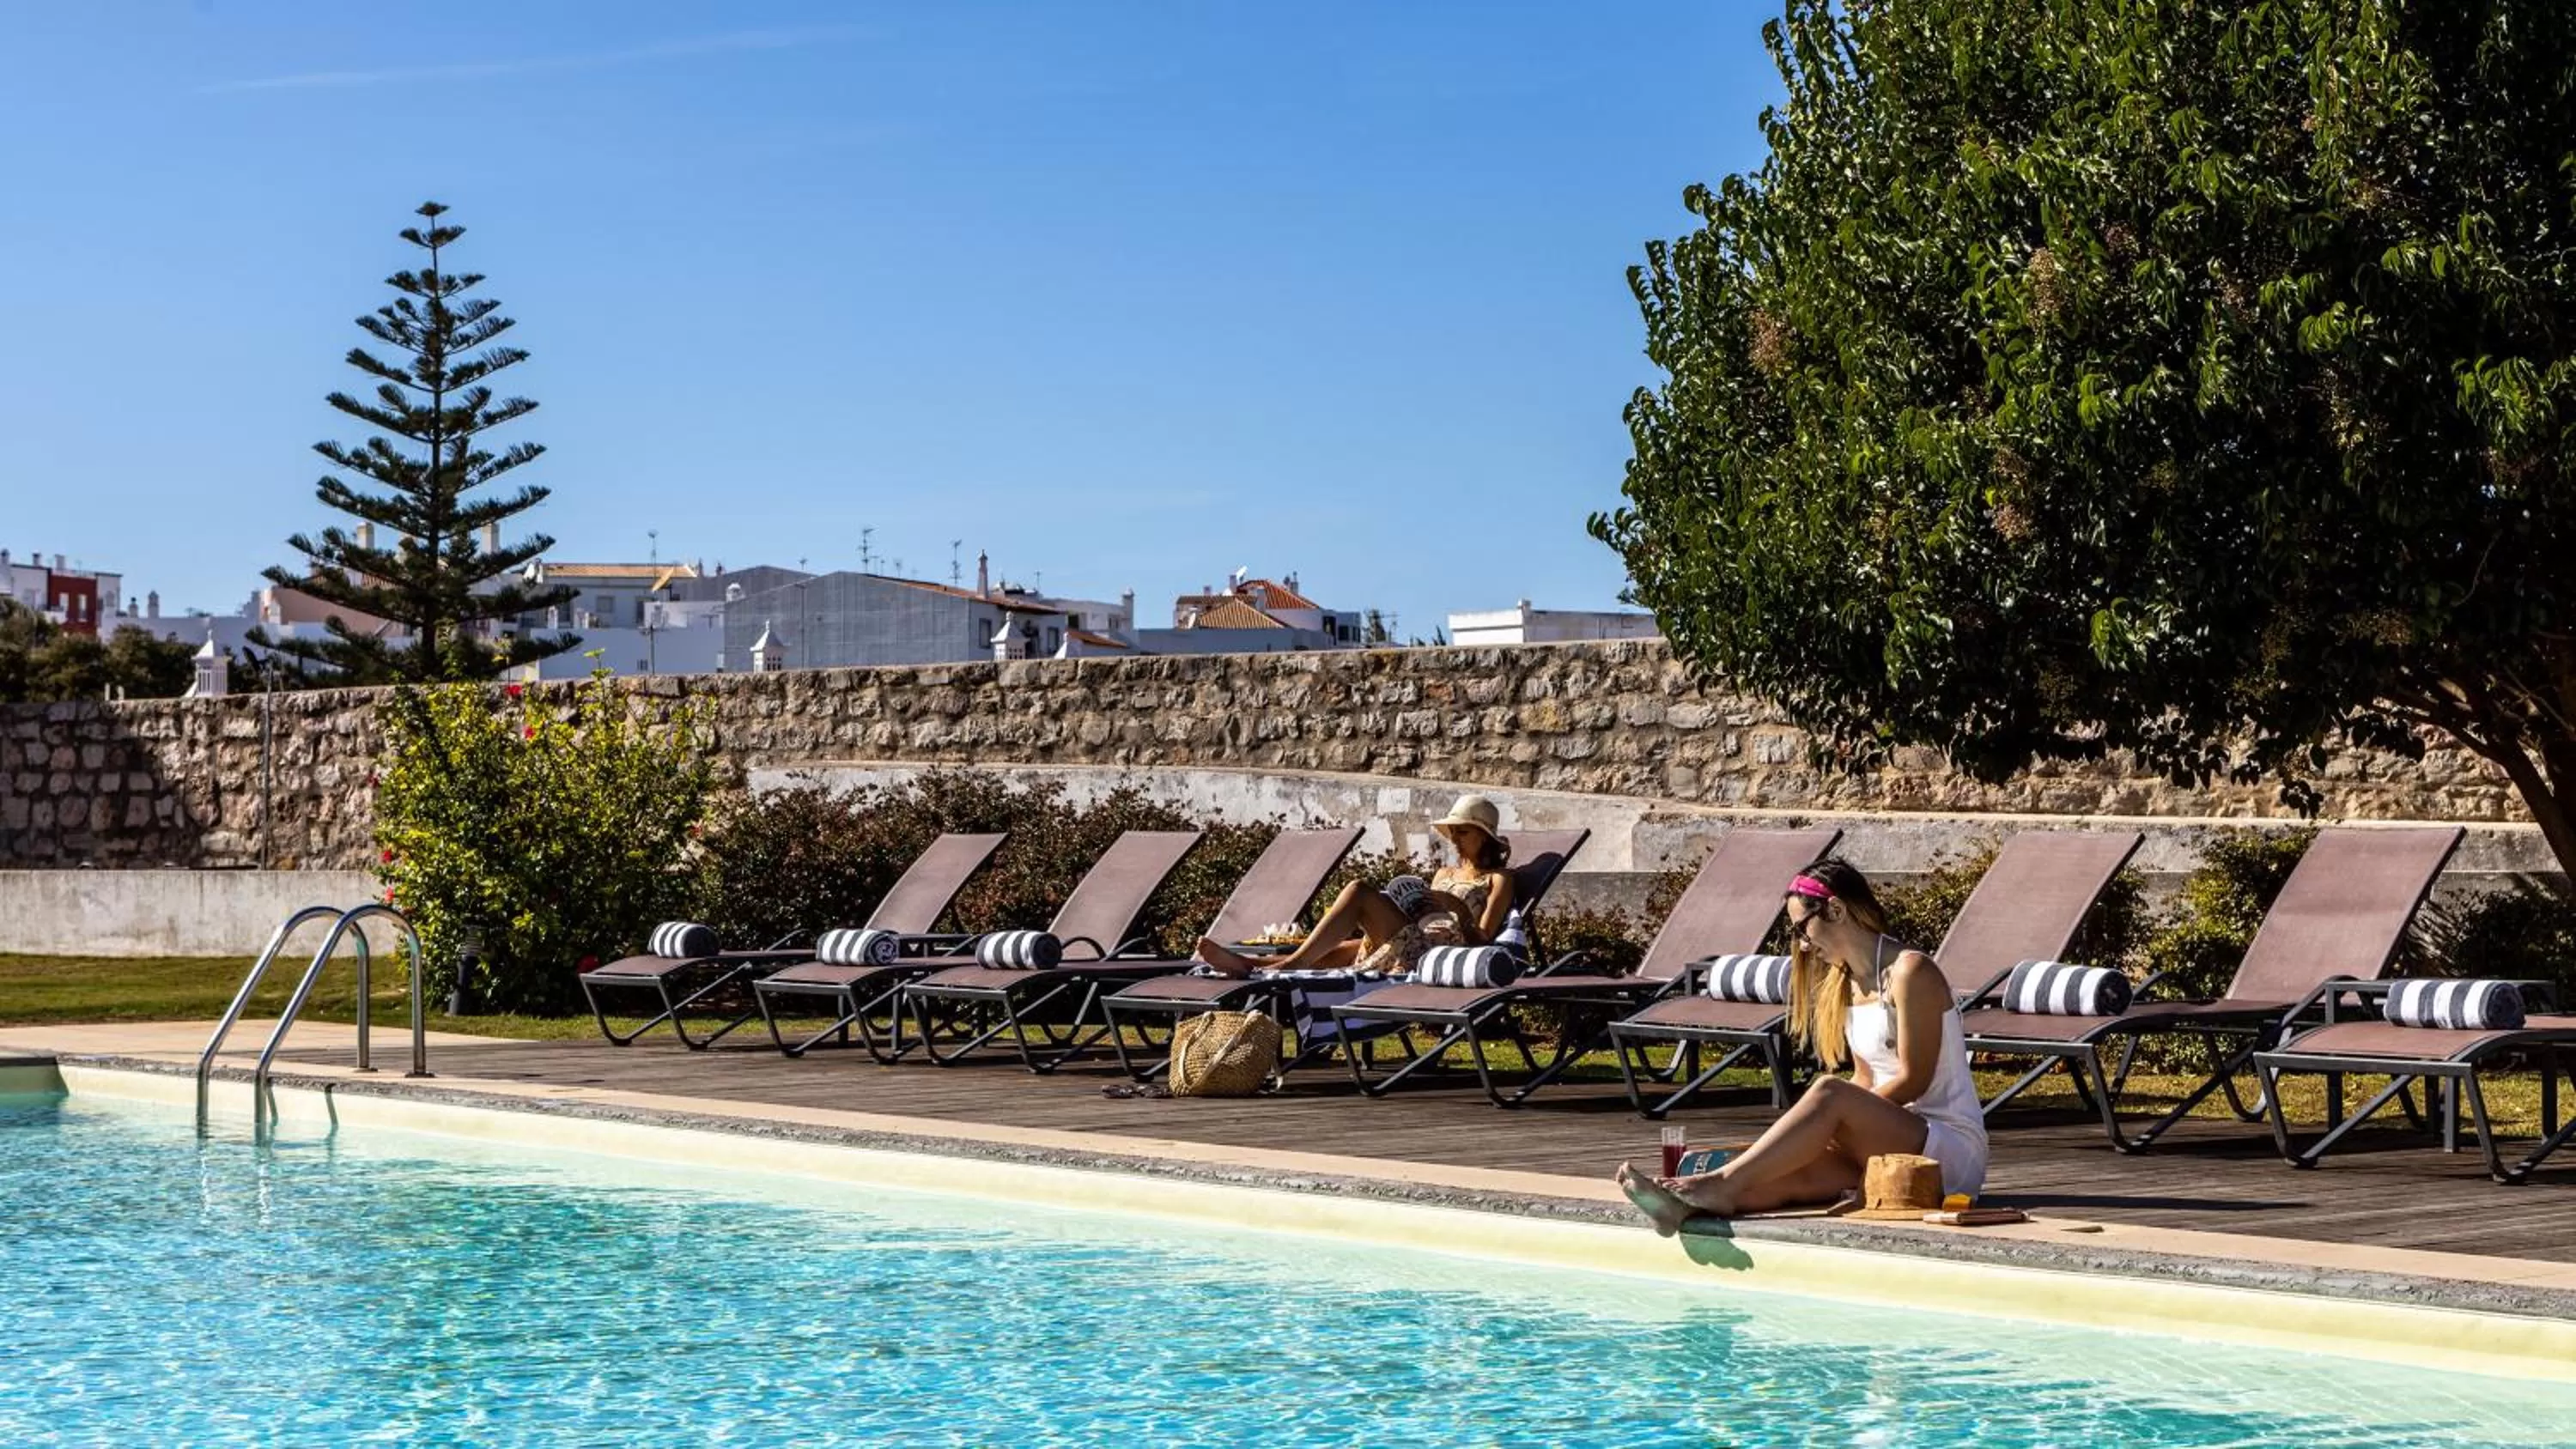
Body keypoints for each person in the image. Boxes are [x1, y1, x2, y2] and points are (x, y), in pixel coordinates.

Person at [1614, 857, 1989, 1234]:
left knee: (1828, 1090)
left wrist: (1836, 1121)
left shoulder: (1911, 972)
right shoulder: (1848, 982)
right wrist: (1812, 1134)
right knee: (1795, 1175)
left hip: (1945, 1147)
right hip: (1887, 1138)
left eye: (1802, 930)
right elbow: (1865, 1077)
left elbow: (1914, 1079)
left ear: (1836, 910)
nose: (1804, 946)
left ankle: (1721, 1183)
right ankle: (1681, 1209)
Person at [1195, 795, 1518, 979]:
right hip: (1414, 936)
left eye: (1464, 832)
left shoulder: (1498, 879)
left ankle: (1282, 967)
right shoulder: (1445, 872)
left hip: (1439, 953)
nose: (1456, 839)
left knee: (1361, 891)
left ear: (1484, 836)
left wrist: (1459, 910)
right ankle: (1254, 967)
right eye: (1454, 832)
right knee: (1333, 950)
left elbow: (1484, 941)